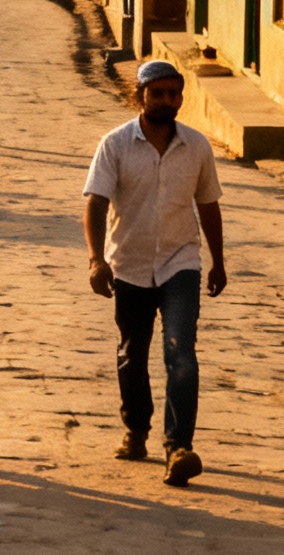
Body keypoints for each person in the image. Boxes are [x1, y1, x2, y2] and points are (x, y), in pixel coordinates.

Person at [81, 59, 226, 488]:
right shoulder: (116, 145)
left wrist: (217, 260)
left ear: (181, 97)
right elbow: (95, 203)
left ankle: (178, 446)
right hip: (129, 263)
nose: (166, 100)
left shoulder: (197, 146)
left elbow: (208, 205)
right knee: (132, 353)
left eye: (173, 93)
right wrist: (96, 259)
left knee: (181, 354)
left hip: (181, 262)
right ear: (140, 95)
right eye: (157, 93)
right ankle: (136, 429)